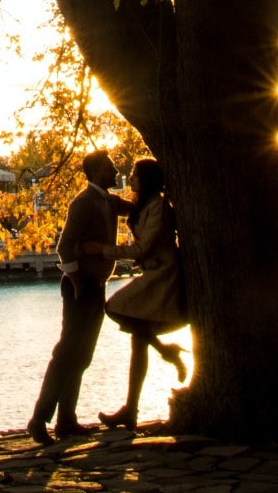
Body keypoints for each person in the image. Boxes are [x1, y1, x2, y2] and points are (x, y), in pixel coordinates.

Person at [27, 150, 131, 445]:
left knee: (82, 356)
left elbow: (133, 209)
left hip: (97, 285)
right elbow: (65, 246)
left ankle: (67, 420)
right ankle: (39, 419)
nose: (115, 172)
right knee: (66, 355)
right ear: (98, 172)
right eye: (110, 168)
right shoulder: (83, 203)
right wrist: (75, 280)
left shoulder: (108, 201)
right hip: (81, 285)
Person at [84, 157, 188, 431]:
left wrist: (102, 250)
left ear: (148, 180)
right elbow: (115, 204)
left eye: (135, 174)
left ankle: (165, 354)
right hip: (153, 273)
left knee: (115, 307)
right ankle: (130, 409)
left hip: (164, 274)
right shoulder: (143, 205)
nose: (130, 178)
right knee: (137, 341)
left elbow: (143, 249)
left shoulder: (159, 208)